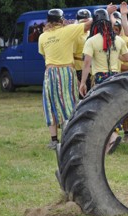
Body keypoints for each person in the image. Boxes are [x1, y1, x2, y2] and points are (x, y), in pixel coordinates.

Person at [38, 9, 92, 150]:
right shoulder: (68, 30)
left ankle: (54, 140)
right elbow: (88, 24)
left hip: (49, 72)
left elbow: (44, 57)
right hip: (66, 71)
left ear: (48, 21)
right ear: (62, 20)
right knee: (69, 103)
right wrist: (107, 12)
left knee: (50, 104)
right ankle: (71, 137)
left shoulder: (42, 37)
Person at [80, 9, 128, 153]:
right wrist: (116, 56)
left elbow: (86, 63)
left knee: (100, 108)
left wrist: (83, 82)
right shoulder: (118, 39)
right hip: (116, 77)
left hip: (100, 78)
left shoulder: (91, 40)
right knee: (115, 107)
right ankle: (112, 135)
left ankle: (112, 137)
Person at [73, 9, 92, 97]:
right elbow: (70, 57)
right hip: (79, 69)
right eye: (83, 22)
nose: (85, 24)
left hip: (91, 69)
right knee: (82, 96)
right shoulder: (75, 36)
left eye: (87, 21)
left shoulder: (90, 34)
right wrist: (76, 78)